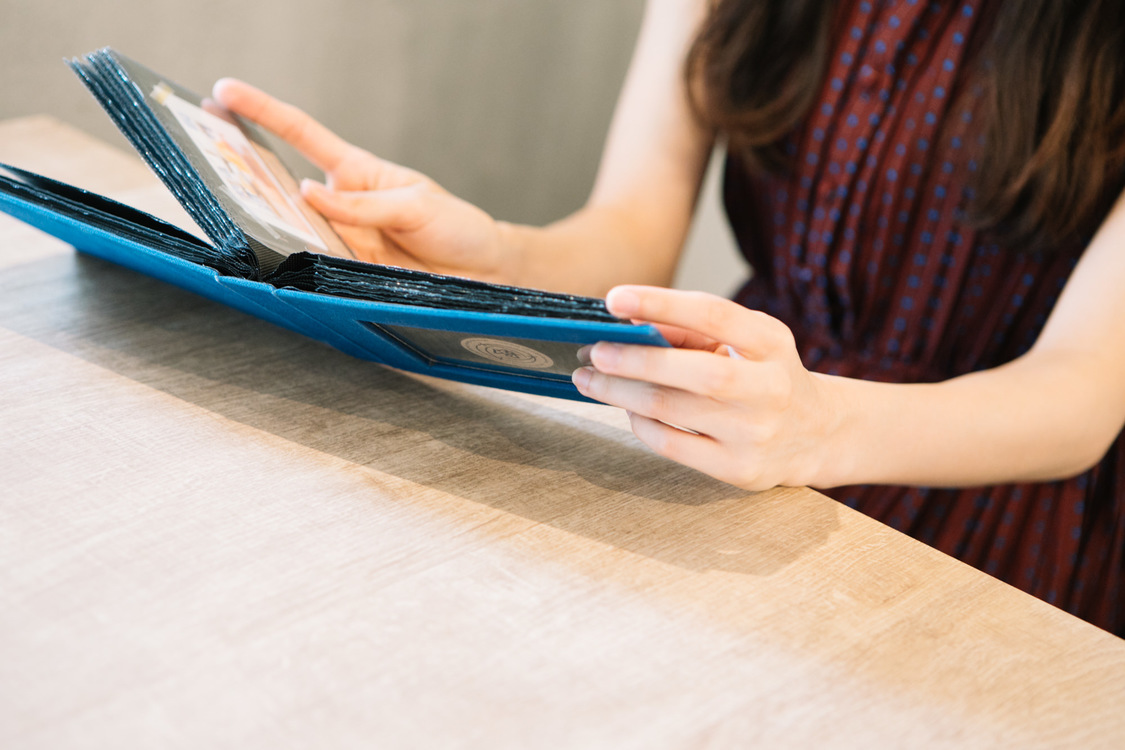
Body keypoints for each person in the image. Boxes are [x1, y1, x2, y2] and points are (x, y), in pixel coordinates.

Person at [213, 0, 1125, 634]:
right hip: (743, 430)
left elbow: (1078, 395)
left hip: (993, 500)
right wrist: (490, 250)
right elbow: (635, 234)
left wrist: (818, 428)